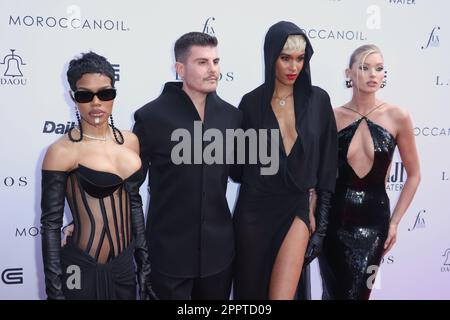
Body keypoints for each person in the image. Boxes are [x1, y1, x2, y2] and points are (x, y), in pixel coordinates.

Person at [233, 21, 338, 300]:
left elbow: (328, 165)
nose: (294, 67)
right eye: (285, 58)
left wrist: (321, 221)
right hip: (254, 211)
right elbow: (237, 169)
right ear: (271, 58)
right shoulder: (251, 103)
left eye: (300, 58)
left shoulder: (319, 101)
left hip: (296, 207)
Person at [132, 32, 242, 299]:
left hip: (219, 255)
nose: (213, 69)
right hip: (167, 257)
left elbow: (244, 174)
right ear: (180, 68)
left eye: (216, 61)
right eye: (203, 62)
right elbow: (130, 189)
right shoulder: (151, 117)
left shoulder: (233, 116)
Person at [40, 52, 153, 299]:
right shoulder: (60, 152)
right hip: (80, 268)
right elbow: (50, 225)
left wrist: (144, 264)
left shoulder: (130, 141)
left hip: (124, 268)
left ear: (114, 93)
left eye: (105, 93)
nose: (96, 103)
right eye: (85, 95)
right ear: (73, 97)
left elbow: (134, 203)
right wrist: (54, 292)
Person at [319, 44, 421, 300]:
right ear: (348, 73)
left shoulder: (398, 116)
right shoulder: (332, 117)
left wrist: (395, 222)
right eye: (364, 68)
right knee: (334, 294)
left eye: (379, 68)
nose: (373, 74)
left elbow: (414, 174)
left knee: (358, 295)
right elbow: (320, 175)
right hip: (334, 225)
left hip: (375, 227)